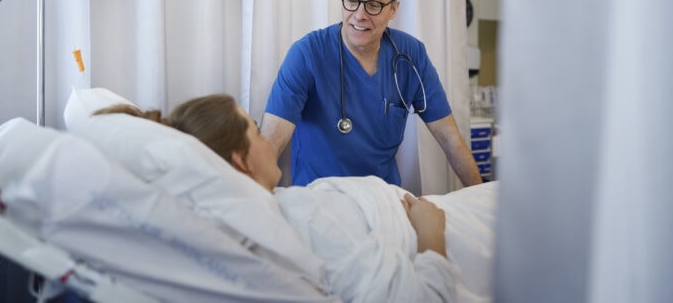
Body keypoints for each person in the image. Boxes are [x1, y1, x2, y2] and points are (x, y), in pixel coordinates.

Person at [96, 95, 461, 302]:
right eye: (255, 130)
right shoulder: (300, 218)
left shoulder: (268, 212)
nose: (265, 138)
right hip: (435, 224)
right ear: (240, 160)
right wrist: (431, 236)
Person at [261, 0, 482, 187]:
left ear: (393, 9)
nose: (360, 14)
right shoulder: (307, 54)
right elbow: (270, 143)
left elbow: (449, 138)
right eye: (352, 0)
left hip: (384, 200)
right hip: (319, 201)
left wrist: (481, 200)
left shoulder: (410, 55)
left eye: (374, 5)